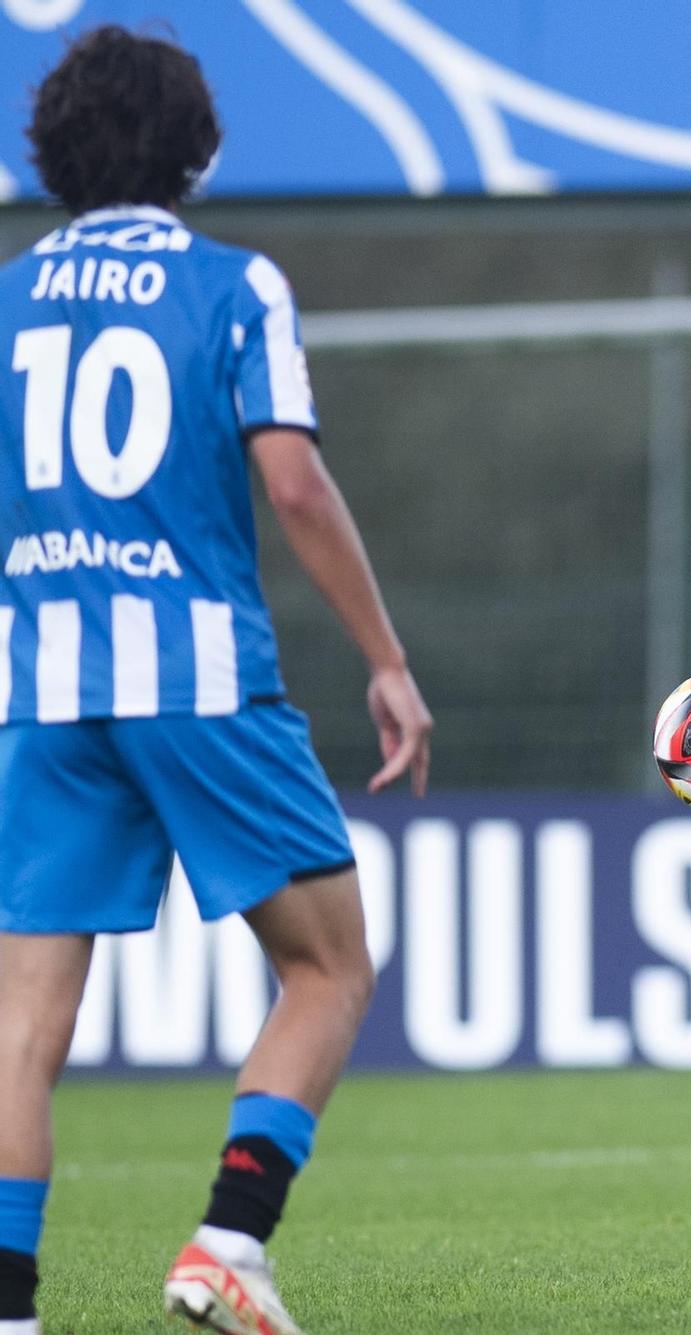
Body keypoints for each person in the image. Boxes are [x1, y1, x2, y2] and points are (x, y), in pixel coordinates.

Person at [0, 28, 432, 1334]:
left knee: (24, 1017)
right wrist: (386, 659)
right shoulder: (236, 284)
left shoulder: (9, 294)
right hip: (195, 675)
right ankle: (231, 1240)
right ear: (197, 146)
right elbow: (291, 479)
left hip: (43, 684)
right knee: (331, 963)